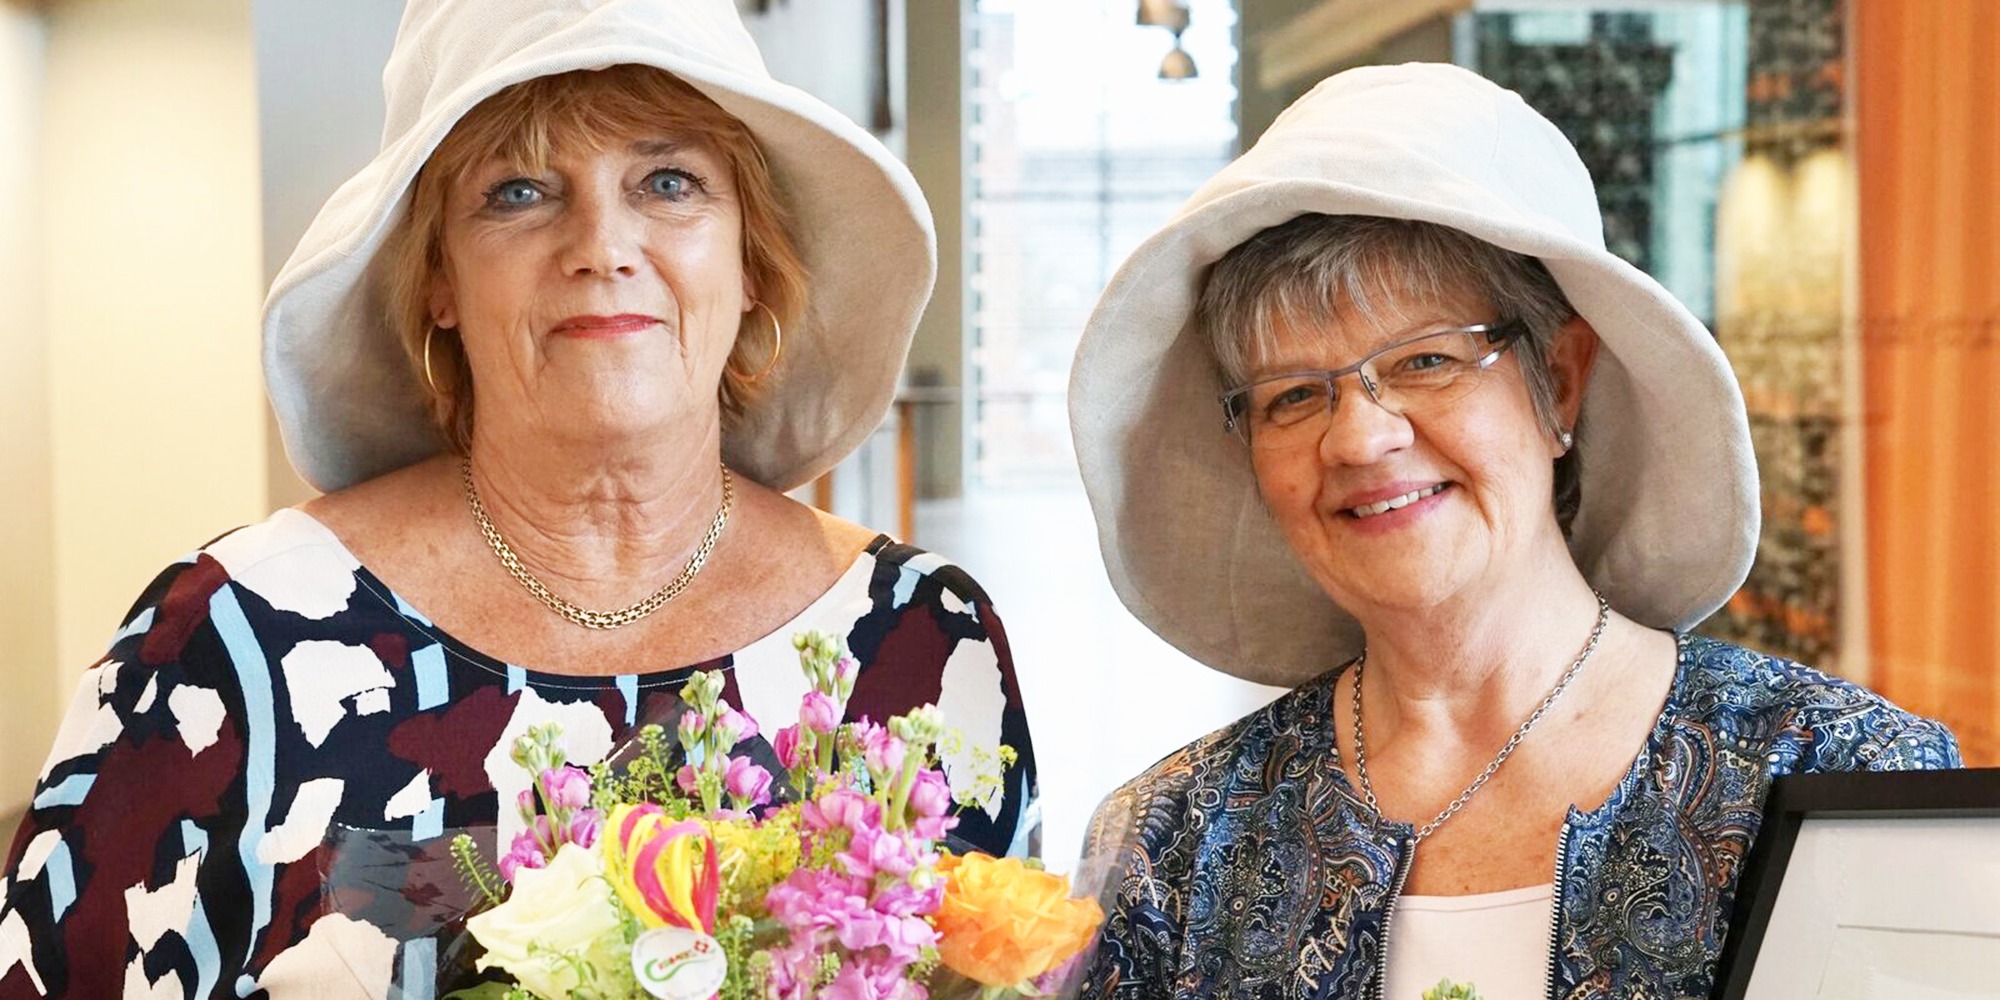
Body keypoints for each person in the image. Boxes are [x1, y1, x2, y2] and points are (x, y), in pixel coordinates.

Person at [0, 0, 1036, 995]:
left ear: (752, 260)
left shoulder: (921, 642)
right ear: (438, 279)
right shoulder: (231, 642)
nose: (602, 245)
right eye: (518, 192)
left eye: (668, 183)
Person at [1064, 63, 1956, 1000]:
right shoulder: (1173, 843)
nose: (1363, 436)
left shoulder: (1837, 782)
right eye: (1294, 395)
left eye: (1426, 359)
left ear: (1560, 381)